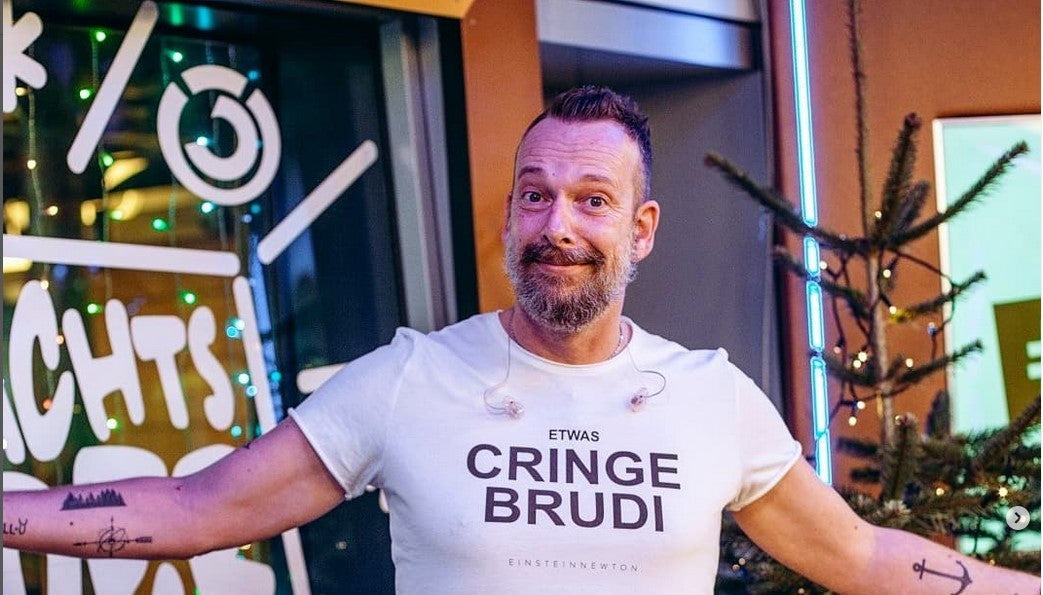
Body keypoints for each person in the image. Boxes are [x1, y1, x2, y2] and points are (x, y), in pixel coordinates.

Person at [3, 86, 1038, 594]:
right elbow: (195, 507)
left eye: (592, 199)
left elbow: (858, 552)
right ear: (507, 216)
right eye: (535, 195)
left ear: (640, 229)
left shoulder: (709, 399)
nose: (557, 225)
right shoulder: (409, 379)